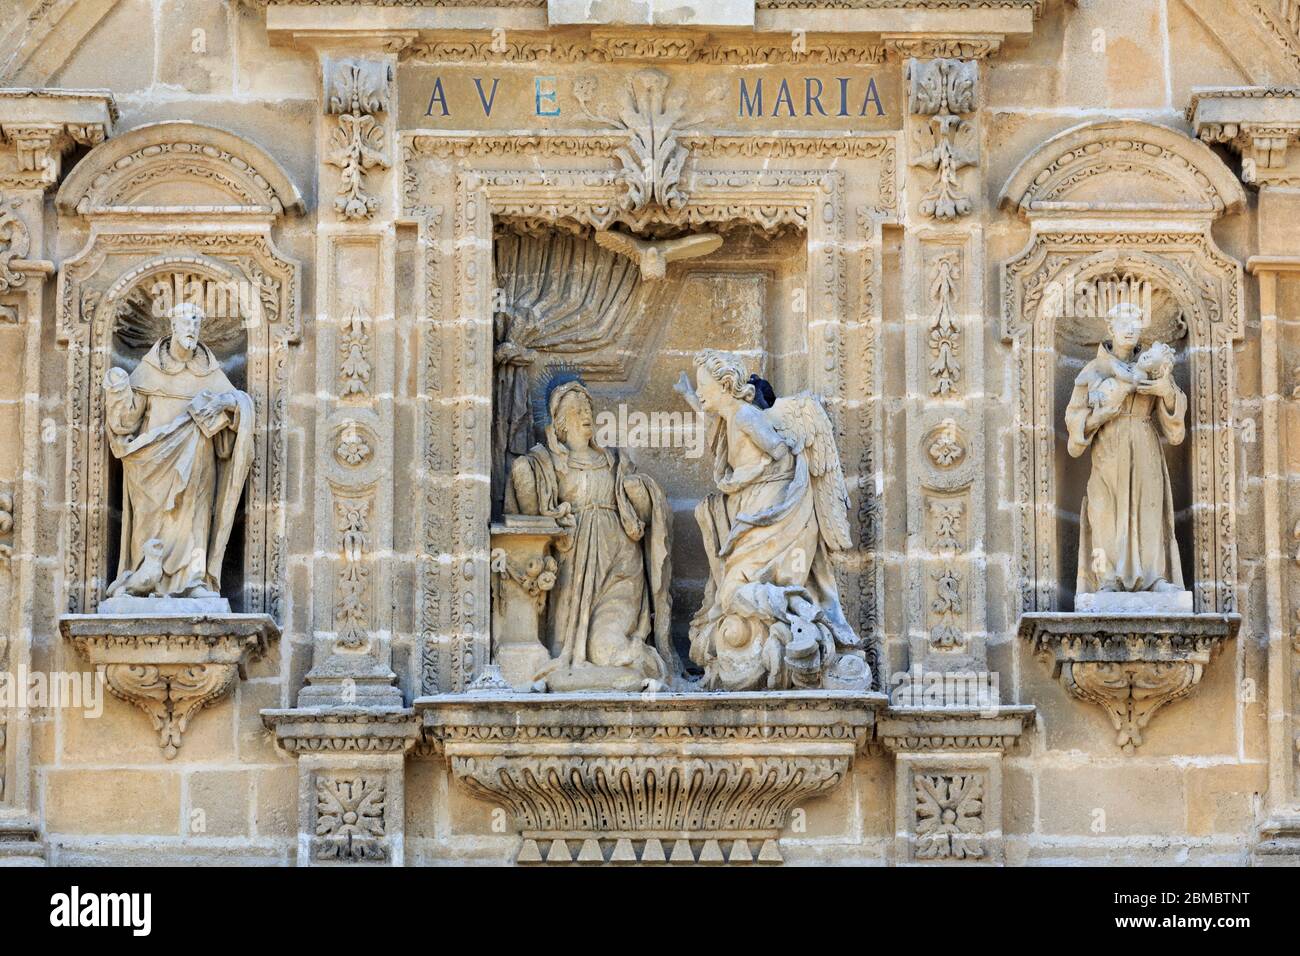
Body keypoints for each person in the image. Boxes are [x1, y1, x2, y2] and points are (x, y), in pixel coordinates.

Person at [506, 378, 676, 691]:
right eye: (577, 409)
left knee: (606, 645)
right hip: (576, 564)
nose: (587, 414)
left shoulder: (614, 460)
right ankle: (593, 677)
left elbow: (645, 513)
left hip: (621, 566)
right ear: (559, 423)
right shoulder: (548, 464)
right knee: (567, 647)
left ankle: (638, 668)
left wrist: (639, 492)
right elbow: (527, 498)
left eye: (588, 408)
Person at [103, 302, 254, 600]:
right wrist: (118, 391)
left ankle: (193, 579)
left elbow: (236, 403)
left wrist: (228, 403)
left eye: (197, 323)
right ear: (172, 326)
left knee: (195, 514)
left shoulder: (208, 370)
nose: (192, 329)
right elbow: (127, 421)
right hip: (153, 461)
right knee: (152, 518)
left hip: (199, 459)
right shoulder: (150, 369)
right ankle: (145, 573)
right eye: (186, 323)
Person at [1065, 302, 1187, 594]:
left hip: (1145, 444)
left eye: (1135, 323)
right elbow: (1074, 420)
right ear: (1111, 329)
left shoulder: (1153, 367)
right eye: (1124, 323)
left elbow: (1174, 428)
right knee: (1105, 511)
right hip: (1108, 448)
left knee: (1149, 508)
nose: (1130, 329)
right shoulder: (1094, 370)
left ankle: (1154, 578)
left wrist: (1164, 391)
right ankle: (1107, 581)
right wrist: (1101, 416)